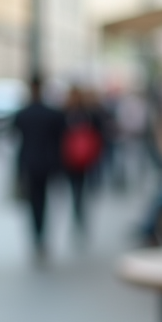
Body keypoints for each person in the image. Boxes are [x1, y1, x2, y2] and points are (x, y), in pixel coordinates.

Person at [14, 76, 65, 261]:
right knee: (42, 200)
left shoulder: (23, 114)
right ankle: (40, 235)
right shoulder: (52, 114)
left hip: (30, 163)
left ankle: (37, 235)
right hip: (47, 163)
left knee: (34, 202)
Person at [61, 85, 105, 235]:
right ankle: (78, 212)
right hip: (70, 157)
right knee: (75, 188)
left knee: (81, 188)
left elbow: (98, 132)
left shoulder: (88, 113)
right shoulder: (65, 113)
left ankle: (79, 213)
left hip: (85, 157)